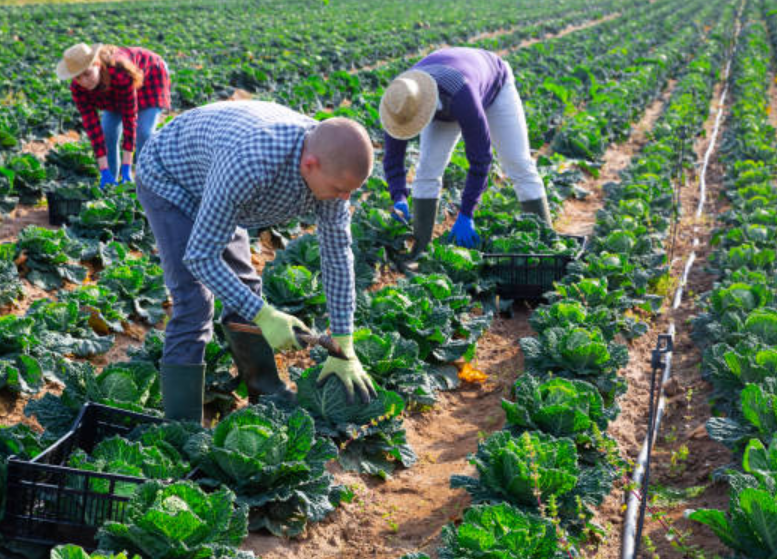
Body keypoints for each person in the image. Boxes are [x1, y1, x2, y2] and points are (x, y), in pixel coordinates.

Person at [136, 100, 378, 422]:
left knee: (246, 287)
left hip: (219, 180)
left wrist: (344, 342)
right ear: (310, 164)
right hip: (171, 179)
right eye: (338, 190)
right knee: (193, 303)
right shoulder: (252, 164)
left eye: (350, 191)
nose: (343, 198)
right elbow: (199, 257)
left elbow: (336, 256)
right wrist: (263, 315)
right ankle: (181, 429)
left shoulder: (332, 172)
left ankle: (267, 397)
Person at [380, 47, 553, 256]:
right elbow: (392, 157)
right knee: (427, 168)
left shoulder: (462, 95)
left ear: (428, 109)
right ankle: (420, 251)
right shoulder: (400, 100)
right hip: (445, 89)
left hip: (491, 84)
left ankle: (547, 244)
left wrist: (466, 213)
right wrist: (398, 196)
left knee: (517, 163)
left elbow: (481, 158)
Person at [56, 43, 170, 188]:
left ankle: (148, 183)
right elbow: (93, 127)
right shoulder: (78, 88)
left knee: (144, 133)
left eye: (87, 74)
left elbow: (129, 119)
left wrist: (127, 166)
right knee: (107, 132)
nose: (84, 81)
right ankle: (112, 183)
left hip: (151, 75)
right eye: (78, 78)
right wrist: (104, 170)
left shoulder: (120, 73)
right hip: (111, 90)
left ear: (96, 64)